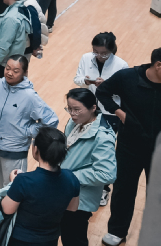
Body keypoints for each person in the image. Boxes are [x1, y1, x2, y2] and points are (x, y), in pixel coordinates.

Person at [95, 47, 161, 246]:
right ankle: (117, 231)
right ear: (158, 65)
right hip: (130, 146)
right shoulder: (128, 77)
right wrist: (120, 113)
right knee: (124, 189)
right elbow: (102, 92)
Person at [0, 55, 58, 196]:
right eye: (7, 68)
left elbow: (51, 120)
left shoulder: (30, 96)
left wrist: (27, 131)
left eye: (15, 71)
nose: (10, 73)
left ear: (25, 73)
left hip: (14, 151)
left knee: (12, 192)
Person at [1, 126, 80, 246]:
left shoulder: (23, 181)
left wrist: (13, 183)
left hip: (20, 240)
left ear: (35, 149)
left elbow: (7, 209)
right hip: (50, 240)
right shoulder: (71, 178)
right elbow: (72, 208)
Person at [60, 88, 118, 246]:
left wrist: (70, 176)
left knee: (74, 239)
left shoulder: (102, 137)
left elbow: (107, 174)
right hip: (65, 191)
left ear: (93, 108)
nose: (72, 114)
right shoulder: (74, 122)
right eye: (69, 109)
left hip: (80, 200)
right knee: (65, 234)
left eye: (77, 109)